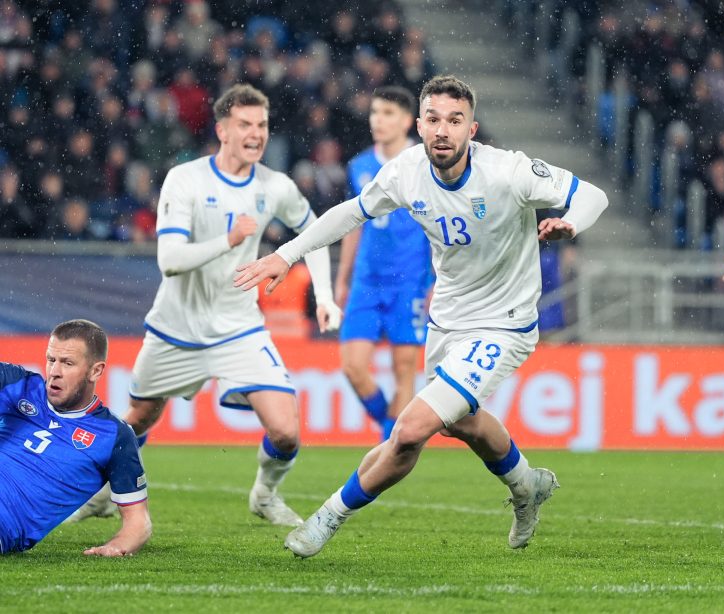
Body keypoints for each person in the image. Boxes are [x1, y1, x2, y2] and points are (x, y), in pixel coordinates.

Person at [235, 75, 609, 557]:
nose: (443, 131)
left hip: (504, 321)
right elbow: (350, 213)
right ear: (420, 125)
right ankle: (527, 485)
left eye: (455, 121)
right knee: (462, 423)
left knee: (410, 430)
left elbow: (591, 194)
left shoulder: (508, 172)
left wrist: (570, 222)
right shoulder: (404, 170)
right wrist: (285, 255)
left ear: (472, 129)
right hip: (447, 321)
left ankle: (327, 517)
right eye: (433, 119)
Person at [70, 84, 341, 527]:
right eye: (245, 125)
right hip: (177, 326)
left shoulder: (276, 186)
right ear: (222, 129)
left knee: (286, 430)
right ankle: (104, 491)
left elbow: (316, 233)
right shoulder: (188, 179)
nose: (255, 134)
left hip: (239, 327)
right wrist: (229, 241)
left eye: (262, 126)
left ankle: (265, 495)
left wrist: (325, 297)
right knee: (140, 415)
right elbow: (170, 260)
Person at [0, 319, 150, 556]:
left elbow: (138, 523)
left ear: (95, 371)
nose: (55, 372)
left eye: (67, 363)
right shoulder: (19, 384)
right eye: (51, 360)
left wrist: (116, 546)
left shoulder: (113, 436)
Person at [334, 86, 433, 440]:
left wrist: (437, 280)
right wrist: (342, 279)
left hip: (410, 282)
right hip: (366, 282)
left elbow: (439, 226)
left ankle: (391, 448)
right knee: (353, 368)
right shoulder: (360, 166)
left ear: (408, 121)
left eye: (388, 113)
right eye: (375, 112)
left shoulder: (425, 164)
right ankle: (391, 430)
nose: (378, 119)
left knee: (403, 371)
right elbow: (352, 224)